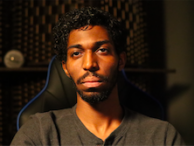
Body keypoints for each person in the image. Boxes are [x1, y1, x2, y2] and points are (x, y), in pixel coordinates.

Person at [11, 7, 184, 145]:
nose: (89, 64)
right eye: (77, 53)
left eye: (102, 50)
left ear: (121, 60)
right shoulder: (38, 133)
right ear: (65, 67)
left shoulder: (162, 136)